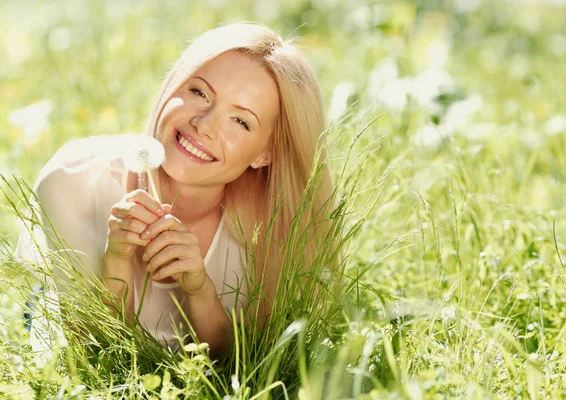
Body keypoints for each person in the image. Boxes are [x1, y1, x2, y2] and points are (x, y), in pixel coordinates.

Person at [15, 22, 335, 356]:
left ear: (265, 154)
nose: (204, 125)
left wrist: (200, 291)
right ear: (173, 87)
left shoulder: (274, 227)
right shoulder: (72, 182)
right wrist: (117, 260)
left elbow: (244, 367)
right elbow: (94, 358)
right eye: (200, 93)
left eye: (240, 121)